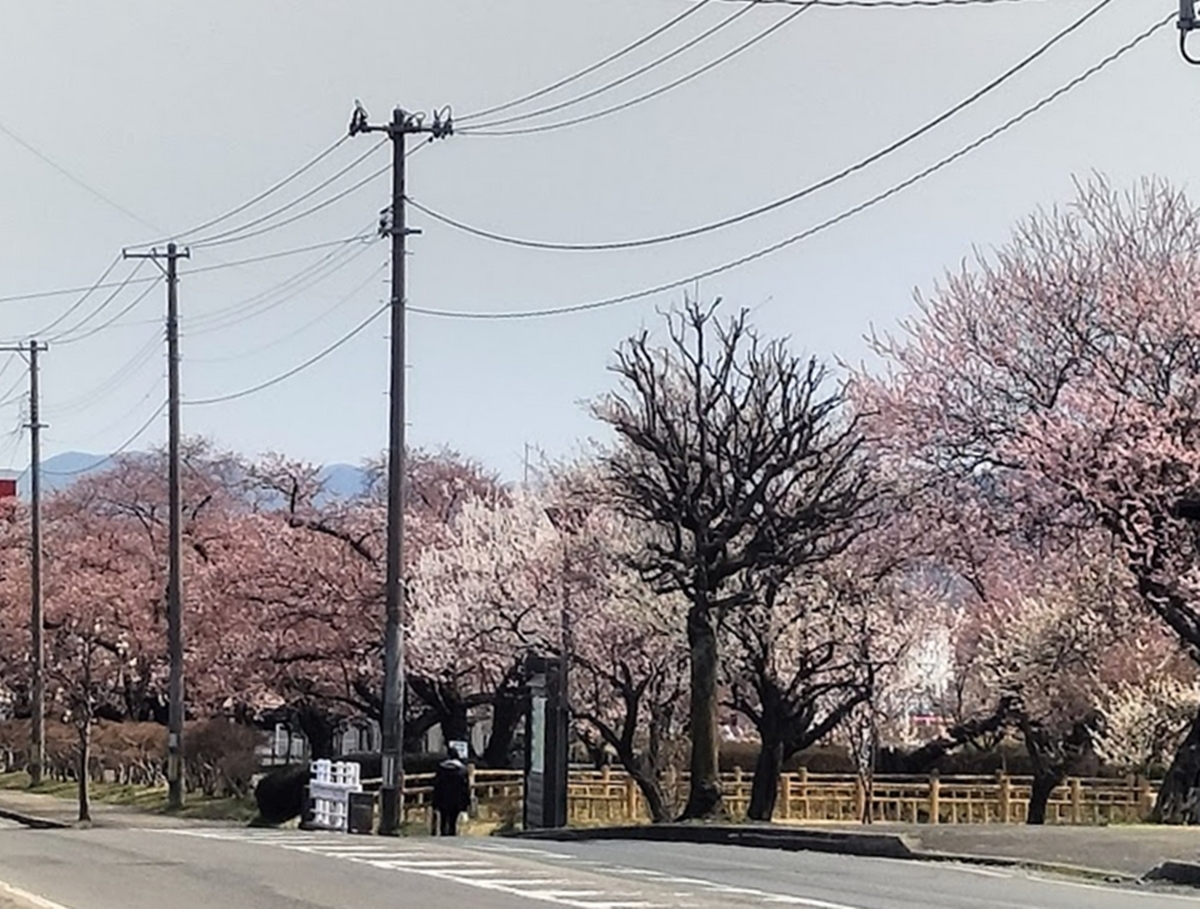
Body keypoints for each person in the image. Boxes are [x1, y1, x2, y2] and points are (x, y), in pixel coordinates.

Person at [431, 753, 470, 836]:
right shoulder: (462, 771)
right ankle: (452, 832)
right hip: (456, 799)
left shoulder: (441, 769)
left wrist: (435, 801)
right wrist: (466, 803)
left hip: (443, 798)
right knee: (453, 819)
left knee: (443, 817)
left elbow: (437, 786)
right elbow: (465, 788)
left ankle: (443, 832)